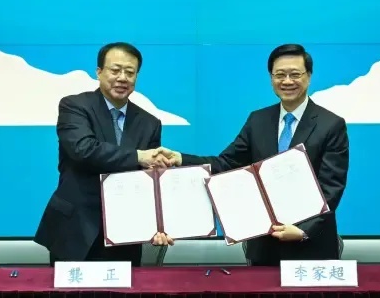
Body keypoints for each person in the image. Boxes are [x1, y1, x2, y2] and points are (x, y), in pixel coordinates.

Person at [159, 43, 349, 266]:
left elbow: (331, 186)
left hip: (311, 245)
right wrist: (180, 159)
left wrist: (303, 230)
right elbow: (226, 163)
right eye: (280, 75)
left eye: (295, 74)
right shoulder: (258, 120)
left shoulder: (331, 124)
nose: (287, 81)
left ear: (308, 76)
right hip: (264, 244)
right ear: (271, 78)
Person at [34, 42, 172, 266]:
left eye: (130, 72)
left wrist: (158, 223)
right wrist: (139, 156)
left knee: (122, 290)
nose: (122, 78)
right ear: (99, 72)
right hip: (75, 229)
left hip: (125, 233)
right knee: (71, 290)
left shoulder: (150, 123)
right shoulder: (74, 106)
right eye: (115, 70)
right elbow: (83, 150)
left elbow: (149, 179)